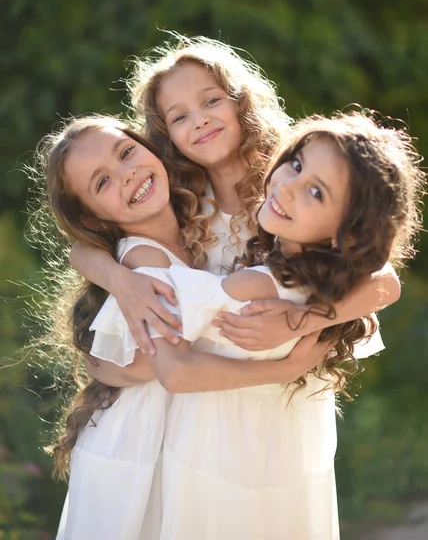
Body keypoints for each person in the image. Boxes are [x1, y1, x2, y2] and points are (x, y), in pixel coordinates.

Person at [87, 111, 424, 540]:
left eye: (315, 192)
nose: (286, 185)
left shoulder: (251, 286)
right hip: (284, 453)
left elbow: (164, 356)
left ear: (348, 235)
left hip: (215, 454)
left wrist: (106, 365)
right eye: (297, 165)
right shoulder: (328, 285)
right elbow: (385, 281)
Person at [33, 115, 332, 540]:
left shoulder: (195, 217)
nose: (128, 173)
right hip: (147, 442)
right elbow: (178, 372)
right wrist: (283, 371)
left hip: (199, 437)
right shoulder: (144, 262)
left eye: (126, 152)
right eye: (102, 183)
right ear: (95, 218)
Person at [70, 35, 401, 358]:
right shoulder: (178, 198)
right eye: (180, 117)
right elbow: (85, 246)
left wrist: (295, 322)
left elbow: (384, 281)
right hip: (214, 387)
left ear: (240, 101)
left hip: (288, 388)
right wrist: (120, 282)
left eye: (211, 101)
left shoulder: (288, 182)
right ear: (167, 136)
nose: (200, 121)